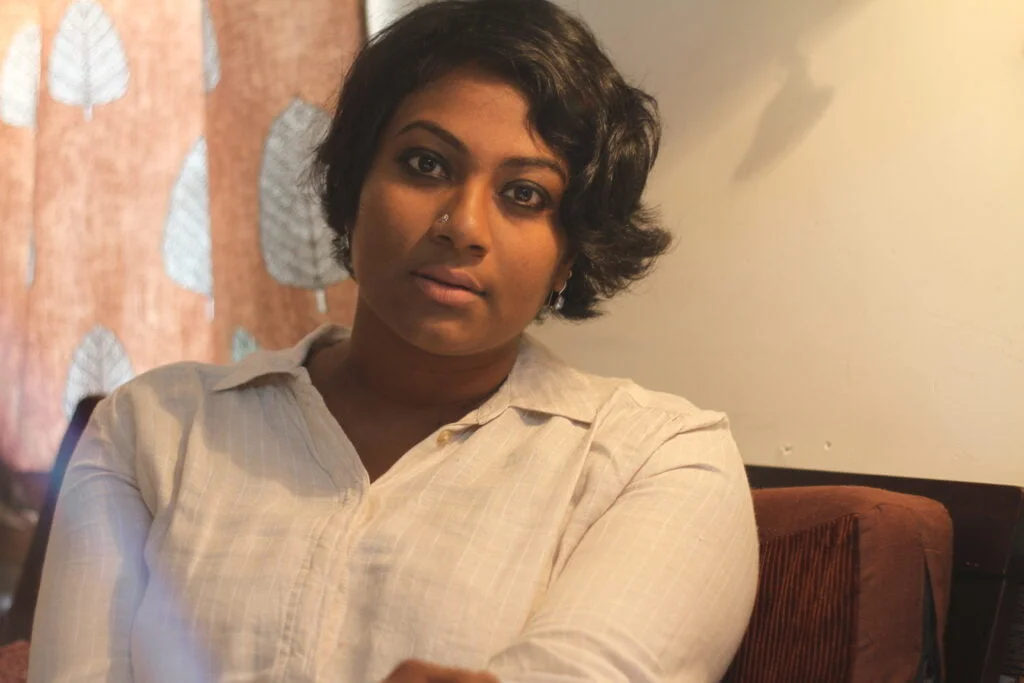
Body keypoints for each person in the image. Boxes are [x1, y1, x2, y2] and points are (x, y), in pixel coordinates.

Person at [29, 1, 759, 681]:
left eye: (525, 194)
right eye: (426, 164)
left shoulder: (659, 459)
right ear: (353, 187)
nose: (462, 226)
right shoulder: (150, 429)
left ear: (570, 253)